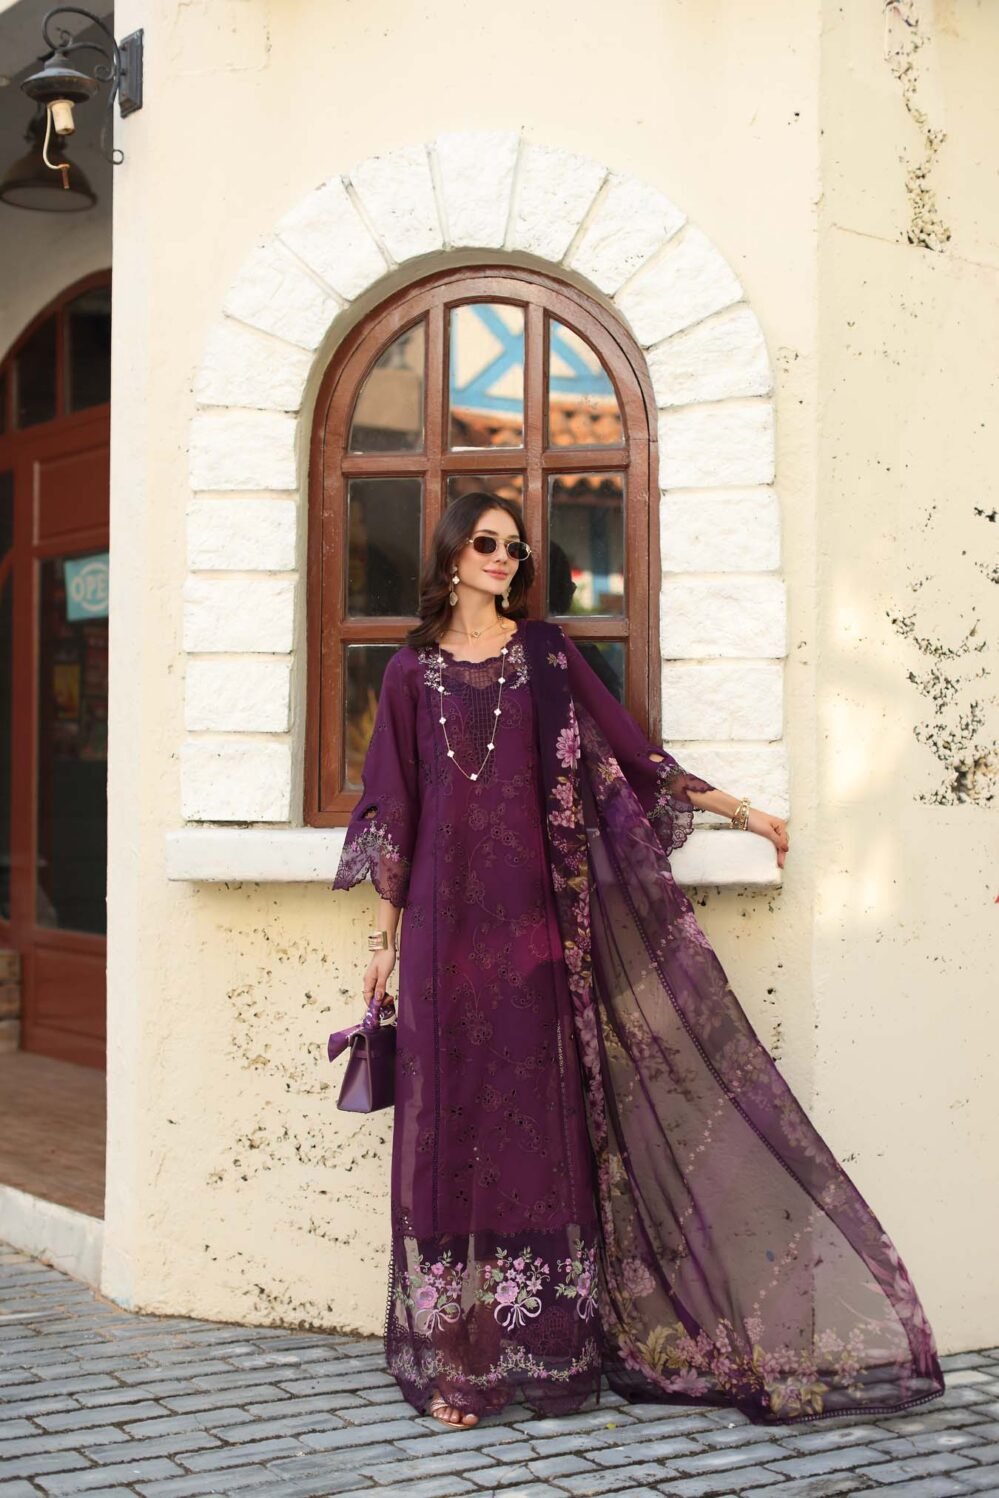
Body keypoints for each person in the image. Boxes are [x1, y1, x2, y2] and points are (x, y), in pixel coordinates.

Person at [332, 491, 944, 1431]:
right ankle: (457, 1358)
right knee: (447, 1134)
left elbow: (629, 753)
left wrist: (739, 810)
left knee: (537, 1135)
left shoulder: (543, 654)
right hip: (442, 942)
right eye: (486, 543)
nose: (502, 557)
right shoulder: (409, 672)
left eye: (514, 548)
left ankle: (547, 1347)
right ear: (452, 555)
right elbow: (396, 806)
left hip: (536, 930)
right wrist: (381, 942)